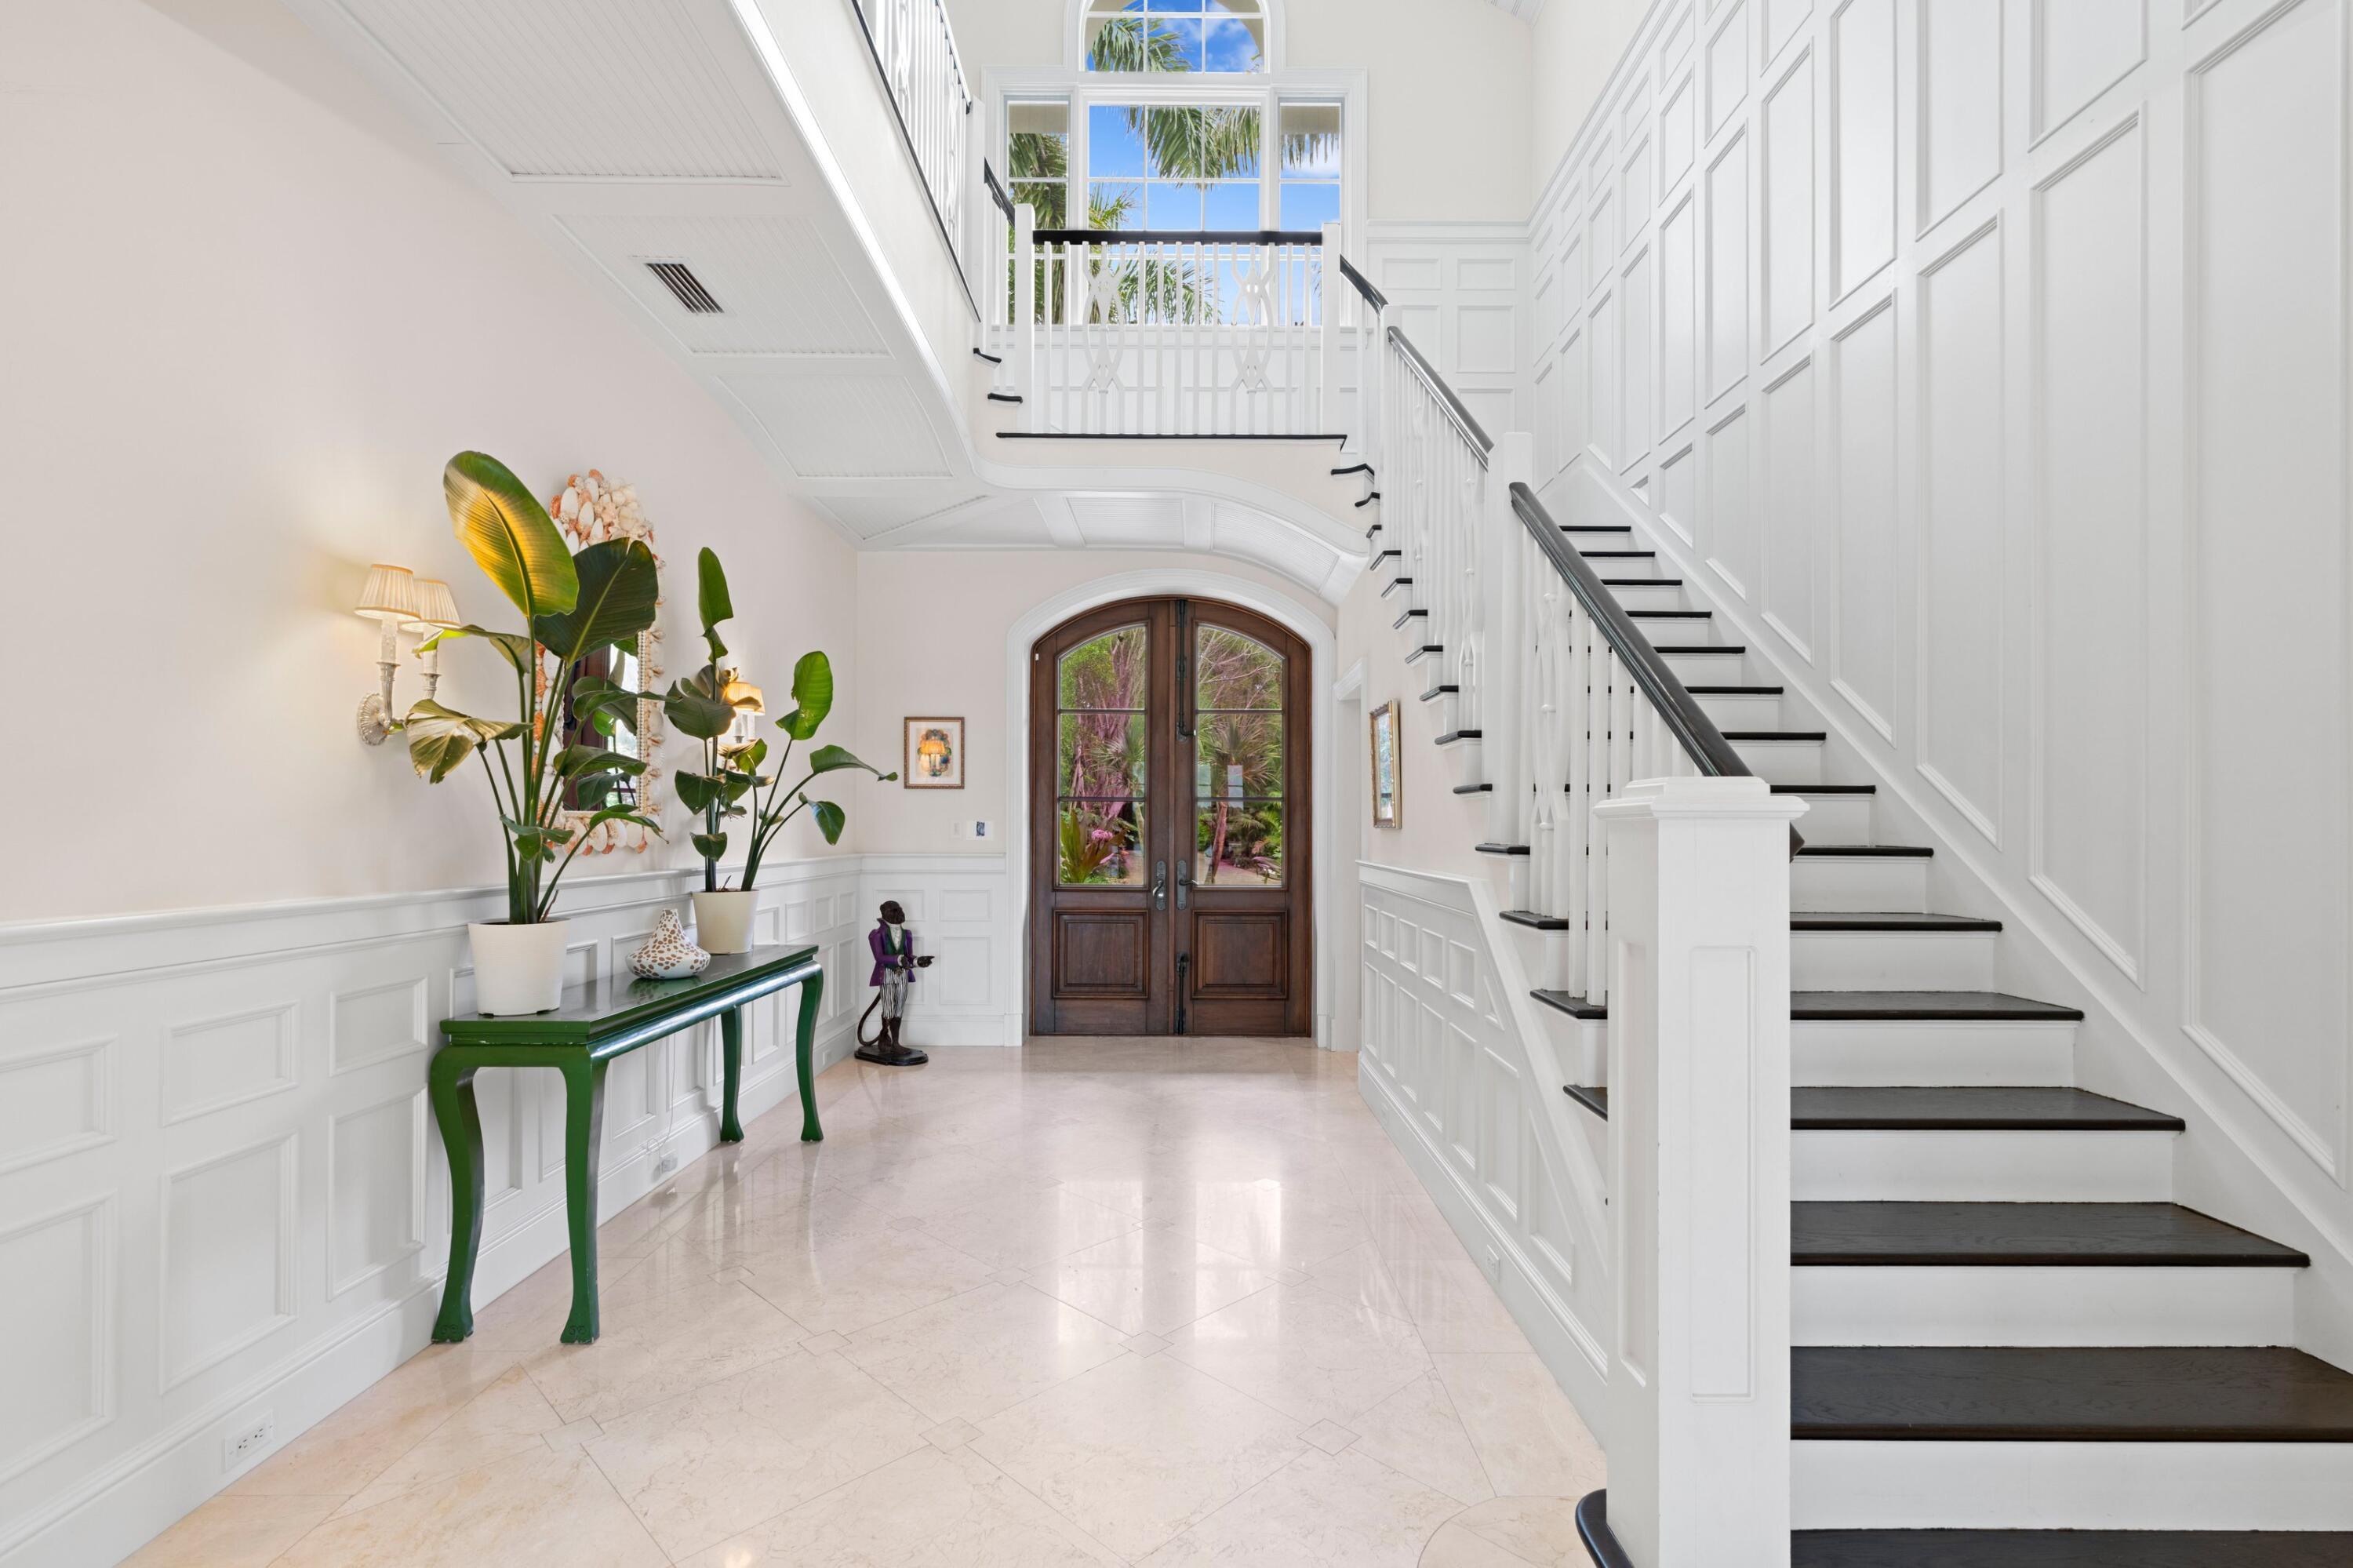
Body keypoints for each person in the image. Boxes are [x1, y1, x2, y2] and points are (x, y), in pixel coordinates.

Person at [857, 900, 933, 1066]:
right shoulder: (876, 935)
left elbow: (909, 956)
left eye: (899, 909)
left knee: (899, 1008)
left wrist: (919, 961)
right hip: (887, 975)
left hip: (902, 976)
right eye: (894, 911)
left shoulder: (907, 934)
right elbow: (879, 958)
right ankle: (885, 1036)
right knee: (889, 1009)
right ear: (884, 914)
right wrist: (899, 959)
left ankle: (895, 1043)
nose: (899, 913)